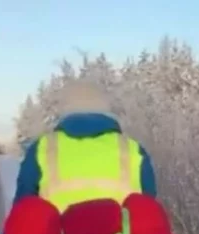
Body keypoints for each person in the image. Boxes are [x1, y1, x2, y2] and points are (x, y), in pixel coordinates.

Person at [13, 79, 157, 209]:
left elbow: (22, 212)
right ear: (106, 109)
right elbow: (149, 209)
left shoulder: (42, 149)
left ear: (65, 110)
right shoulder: (133, 150)